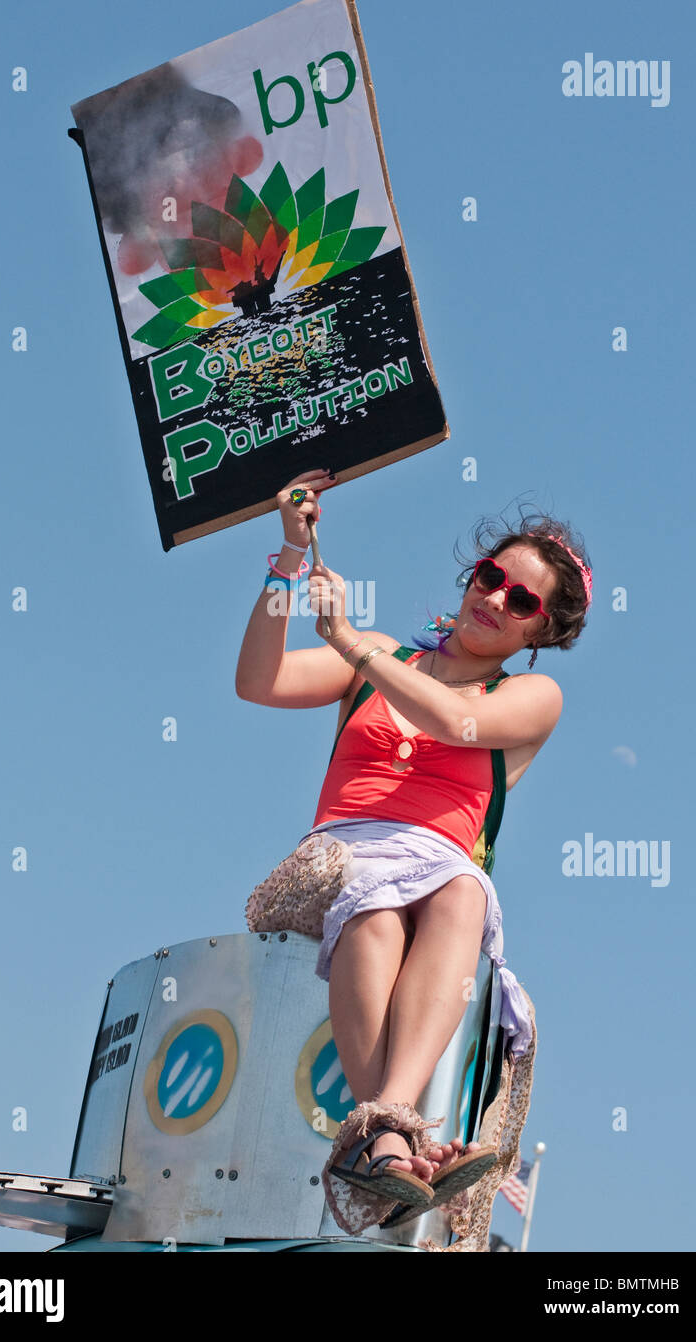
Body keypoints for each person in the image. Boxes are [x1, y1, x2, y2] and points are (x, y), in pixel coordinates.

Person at [236, 468, 592, 1237]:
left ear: (541, 632)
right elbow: (257, 681)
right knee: (377, 896)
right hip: (339, 857)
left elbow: (454, 725)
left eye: (522, 600)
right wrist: (290, 561)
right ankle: (393, 1133)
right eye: (492, 577)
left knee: (459, 890)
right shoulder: (378, 658)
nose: (496, 599)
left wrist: (355, 649)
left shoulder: (527, 700)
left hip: (441, 872)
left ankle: (382, 1132)